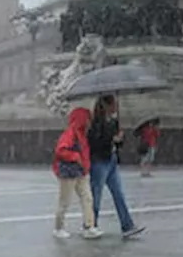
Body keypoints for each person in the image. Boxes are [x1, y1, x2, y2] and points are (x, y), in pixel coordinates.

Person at [86, 95, 146, 239]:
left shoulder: (113, 122)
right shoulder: (96, 123)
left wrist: (120, 139)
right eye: (114, 105)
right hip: (99, 161)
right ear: (106, 105)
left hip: (111, 160)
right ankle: (90, 225)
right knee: (96, 195)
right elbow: (94, 143)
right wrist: (111, 139)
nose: (116, 108)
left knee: (119, 194)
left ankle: (127, 225)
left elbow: (117, 143)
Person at [53, 105, 101, 240]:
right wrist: (76, 157)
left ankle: (88, 226)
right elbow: (61, 151)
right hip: (70, 172)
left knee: (87, 198)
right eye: (87, 119)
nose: (89, 122)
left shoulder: (81, 135)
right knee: (65, 201)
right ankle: (59, 228)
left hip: (80, 171)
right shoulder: (71, 134)